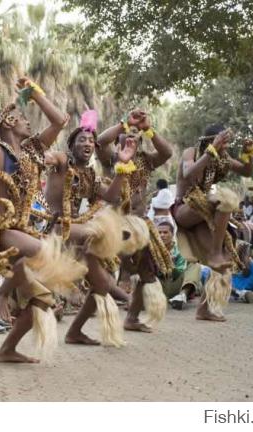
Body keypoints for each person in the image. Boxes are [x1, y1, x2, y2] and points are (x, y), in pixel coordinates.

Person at [0, 79, 87, 363]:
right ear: (7, 121)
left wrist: (35, 94)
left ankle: (7, 349)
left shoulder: (31, 151)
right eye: (21, 118)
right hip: (1, 230)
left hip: (25, 230)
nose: (28, 123)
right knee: (44, 252)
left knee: (41, 301)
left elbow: (60, 119)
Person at [43, 110, 135, 347]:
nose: (88, 143)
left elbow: (113, 197)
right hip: (57, 229)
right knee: (94, 231)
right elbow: (52, 157)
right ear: (71, 145)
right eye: (81, 140)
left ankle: (74, 332)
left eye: (91, 141)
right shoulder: (63, 163)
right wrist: (48, 157)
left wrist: (122, 167)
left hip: (79, 232)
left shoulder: (92, 175)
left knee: (102, 285)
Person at [96, 109, 174, 333]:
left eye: (136, 135)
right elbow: (101, 141)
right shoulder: (112, 158)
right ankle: (117, 290)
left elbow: (167, 152)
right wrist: (125, 123)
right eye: (126, 134)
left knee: (148, 272)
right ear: (119, 138)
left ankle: (131, 317)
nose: (131, 137)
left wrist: (148, 128)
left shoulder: (147, 161)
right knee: (114, 271)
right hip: (116, 222)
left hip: (139, 223)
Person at [173, 124, 253, 322]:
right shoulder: (191, 152)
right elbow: (189, 173)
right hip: (185, 209)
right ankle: (215, 252)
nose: (225, 146)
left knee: (224, 264)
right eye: (222, 141)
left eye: (226, 142)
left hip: (204, 215)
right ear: (210, 140)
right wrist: (212, 149)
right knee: (225, 198)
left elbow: (246, 171)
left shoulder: (223, 157)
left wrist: (248, 155)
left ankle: (204, 309)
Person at [156, 220, 210, 309]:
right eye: (159, 233)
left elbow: (178, 274)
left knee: (194, 265)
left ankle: (182, 296)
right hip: (159, 286)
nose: (162, 235)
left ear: (172, 234)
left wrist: (171, 265)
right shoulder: (152, 250)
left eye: (165, 232)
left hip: (176, 285)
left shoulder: (180, 250)